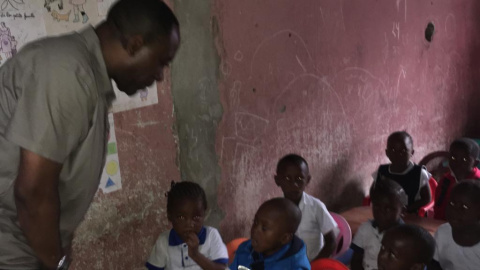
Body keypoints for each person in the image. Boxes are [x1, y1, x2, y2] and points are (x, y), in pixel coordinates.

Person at [0, 0, 180, 269]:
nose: (159, 76)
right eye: (160, 63)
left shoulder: (86, 76)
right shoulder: (67, 72)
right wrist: (55, 261)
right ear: (135, 45)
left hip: (27, 245)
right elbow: (33, 192)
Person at [146, 182, 228, 270]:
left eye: (196, 217)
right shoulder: (164, 242)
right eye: (181, 217)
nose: (189, 224)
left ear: (204, 214)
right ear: (170, 216)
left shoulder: (211, 236)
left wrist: (195, 255)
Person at [274, 154, 338, 261]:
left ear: (307, 180)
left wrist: (314, 265)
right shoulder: (274, 209)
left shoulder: (316, 206)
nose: (294, 184)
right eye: (287, 178)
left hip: (313, 263)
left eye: (299, 178)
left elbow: (331, 242)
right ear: (277, 180)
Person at [229, 198, 311, 270]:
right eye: (255, 222)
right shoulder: (245, 250)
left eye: (264, 228)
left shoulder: (294, 267)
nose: (255, 230)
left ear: (284, 238)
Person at [350, 179, 407, 270]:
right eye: (376, 206)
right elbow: (356, 259)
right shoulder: (365, 229)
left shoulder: (405, 238)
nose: (381, 212)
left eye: (388, 208)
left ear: (402, 211)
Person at [372, 131, 431, 214]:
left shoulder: (419, 173)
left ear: (412, 152)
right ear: (387, 153)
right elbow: (373, 192)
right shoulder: (382, 171)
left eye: (403, 150)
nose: (398, 154)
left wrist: (408, 209)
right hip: (386, 215)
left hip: (410, 216)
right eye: (393, 150)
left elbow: (427, 198)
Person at [429, 180, 480, 270]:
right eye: (452, 203)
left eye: (464, 207)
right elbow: (435, 264)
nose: (454, 210)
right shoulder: (443, 232)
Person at [434, 138, 480, 220]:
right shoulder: (445, 180)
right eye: (453, 157)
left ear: (475, 163)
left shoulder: (477, 183)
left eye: (465, 159)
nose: (457, 163)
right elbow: (438, 209)